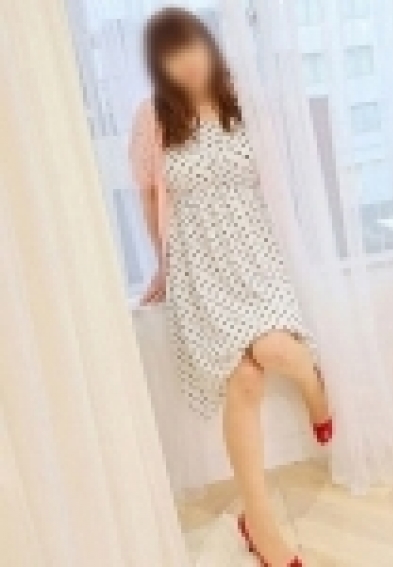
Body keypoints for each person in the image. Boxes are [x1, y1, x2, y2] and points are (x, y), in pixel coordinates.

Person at [130, 7, 332, 566]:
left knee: (277, 349)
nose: (186, 62)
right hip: (199, 270)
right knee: (243, 380)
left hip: (256, 254)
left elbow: (280, 180)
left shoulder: (244, 99)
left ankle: (315, 385)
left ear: (209, 45)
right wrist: (163, 268)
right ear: (160, 66)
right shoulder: (154, 118)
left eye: (191, 46)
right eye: (172, 55)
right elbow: (150, 198)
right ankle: (259, 523)